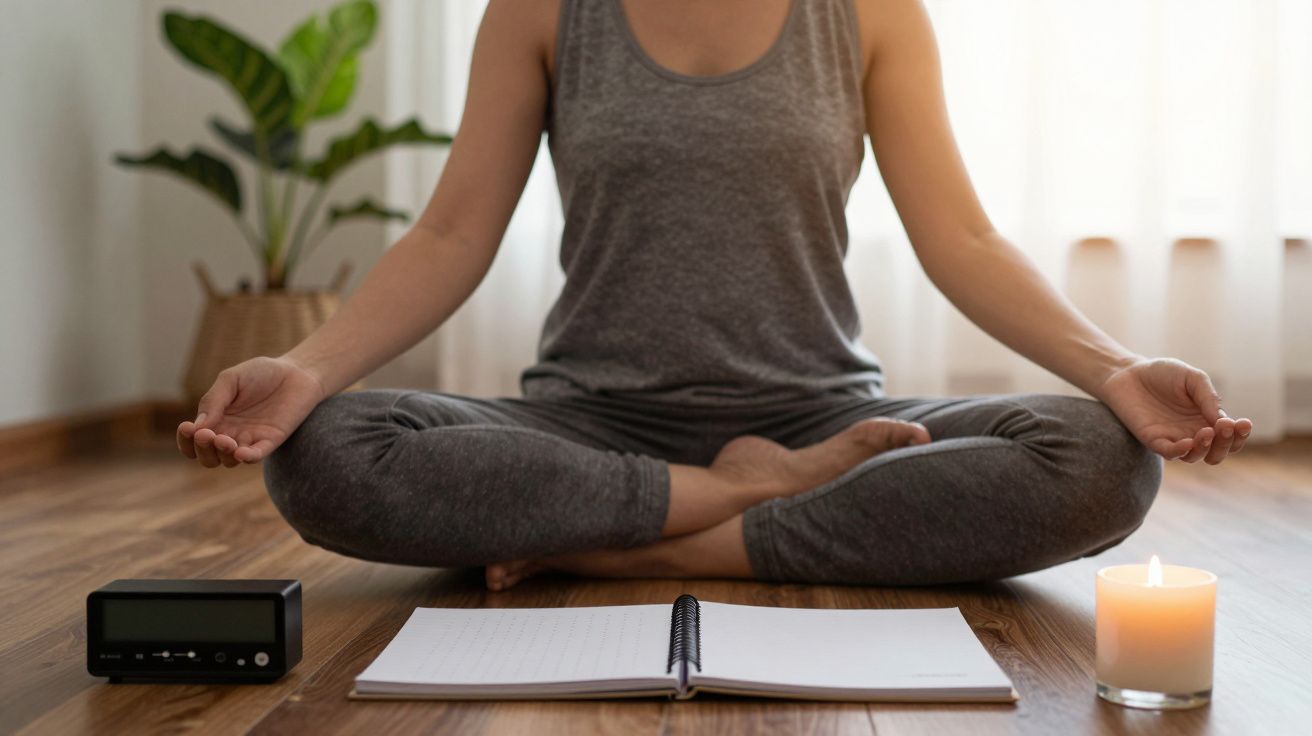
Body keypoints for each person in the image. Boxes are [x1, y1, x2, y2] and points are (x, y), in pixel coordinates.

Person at [176, 0, 1252, 591]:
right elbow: (453, 230)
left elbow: (961, 238)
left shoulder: (872, 13)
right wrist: (308, 371)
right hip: (587, 421)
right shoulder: (539, 10)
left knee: (1100, 460)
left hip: (824, 415)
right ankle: (746, 499)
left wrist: (1113, 371)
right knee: (328, 453)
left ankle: (609, 542)